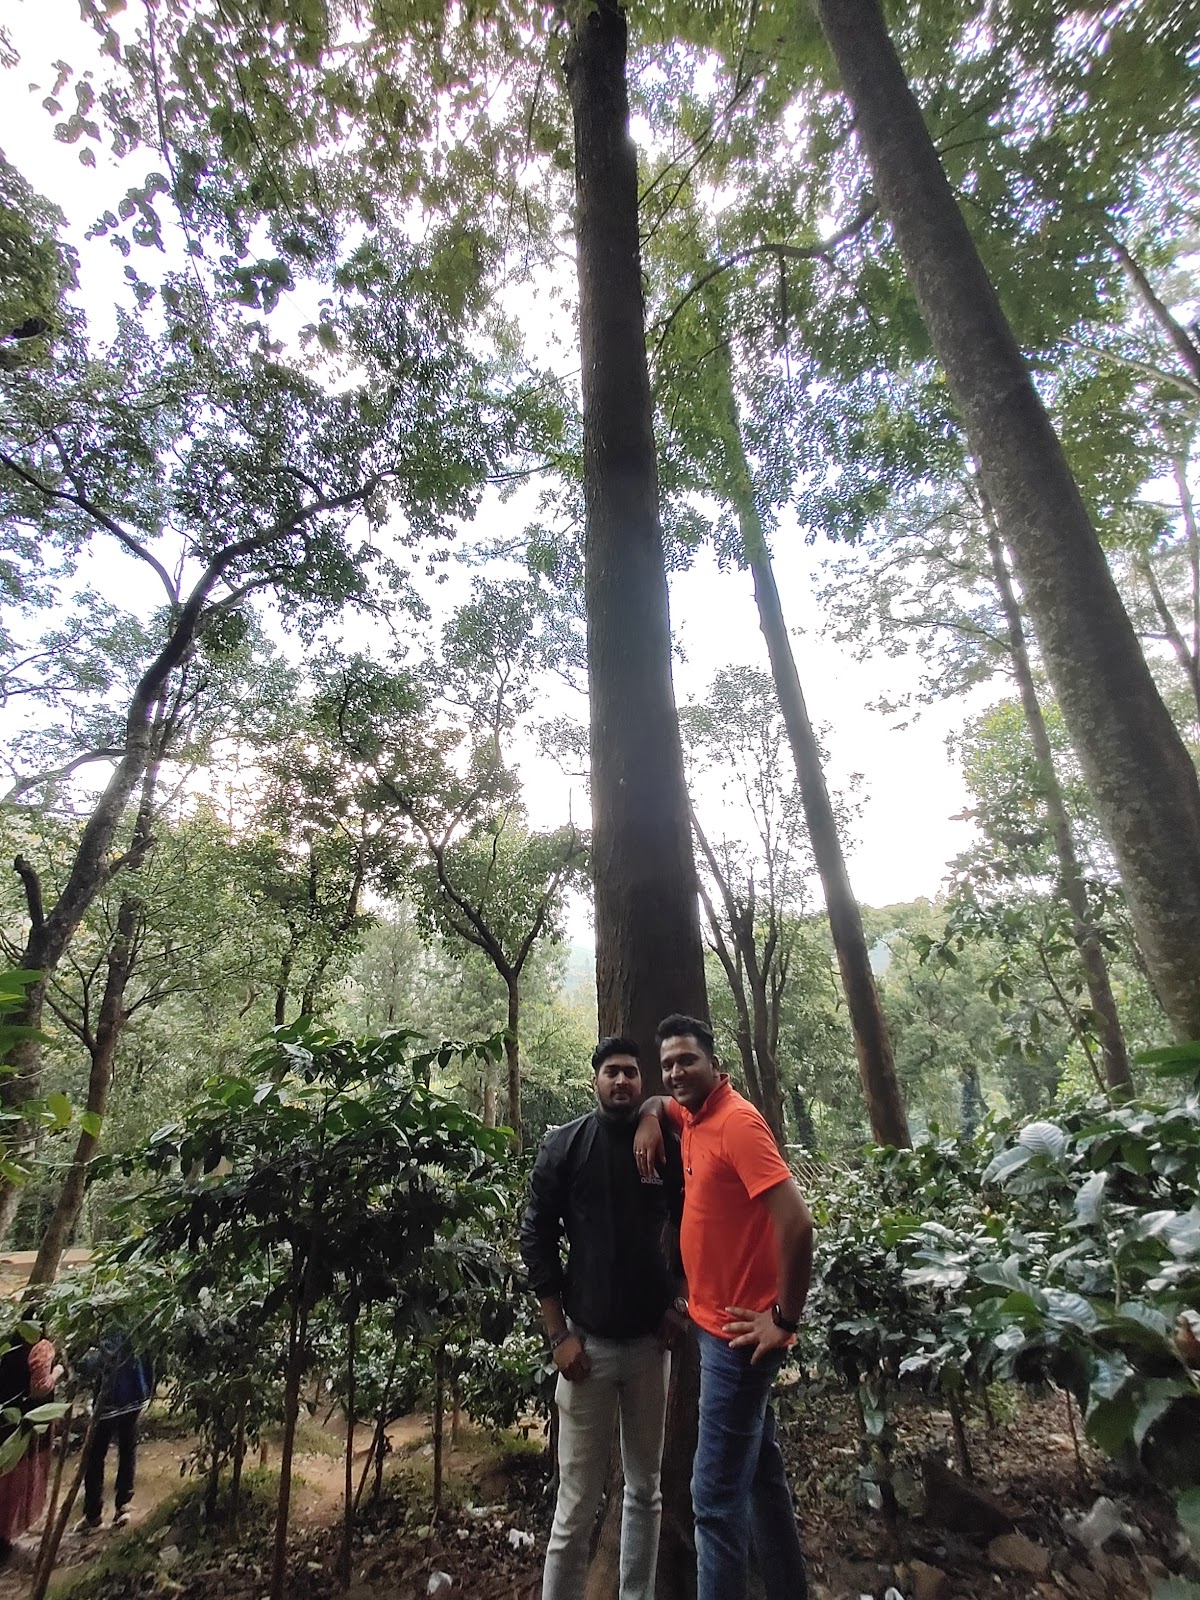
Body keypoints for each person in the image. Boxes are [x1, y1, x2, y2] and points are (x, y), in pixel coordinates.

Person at [634, 1014, 814, 1600]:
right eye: (668, 1063)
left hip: (741, 1338)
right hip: (713, 1329)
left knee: (712, 1500)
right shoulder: (692, 1115)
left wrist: (784, 1317)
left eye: (687, 1059)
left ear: (715, 1063)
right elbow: (662, 1101)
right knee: (762, 1475)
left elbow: (798, 1224)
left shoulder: (737, 1124)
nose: (676, 1072)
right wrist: (645, 1117)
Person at [519, 1035, 687, 1600]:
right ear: (595, 1079)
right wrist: (557, 1333)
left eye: (631, 1074)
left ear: (643, 1084)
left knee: (645, 1491)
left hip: (649, 1347)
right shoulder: (565, 1146)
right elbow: (536, 1236)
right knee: (576, 1503)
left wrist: (679, 1303)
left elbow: (695, 1221)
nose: (621, 1081)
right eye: (611, 1071)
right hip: (584, 1351)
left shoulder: (666, 1144)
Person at [0, 1323, 64, 1566]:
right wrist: (58, 1371)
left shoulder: (8, 1346)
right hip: (28, 1425)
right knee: (19, 1482)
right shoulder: (42, 1347)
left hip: (6, 1420)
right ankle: (6, 1538)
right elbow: (40, 1388)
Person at [77, 1333, 154, 1532]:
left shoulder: (105, 1329)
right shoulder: (136, 1324)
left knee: (95, 1455)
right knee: (127, 1448)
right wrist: (146, 1390)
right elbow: (148, 1357)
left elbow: (91, 1365)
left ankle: (93, 1514)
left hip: (109, 1402)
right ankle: (123, 1505)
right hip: (135, 1397)